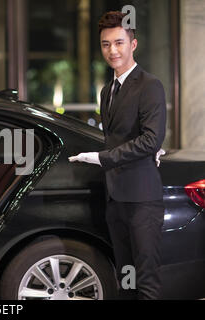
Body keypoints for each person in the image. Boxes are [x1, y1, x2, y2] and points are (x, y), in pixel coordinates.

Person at [69, 11, 167, 300]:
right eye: (106, 44)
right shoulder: (106, 91)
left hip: (142, 200)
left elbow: (151, 138)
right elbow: (125, 137)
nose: (112, 50)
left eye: (119, 43)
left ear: (133, 44)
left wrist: (102, 158)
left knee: (146, 279)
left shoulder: (150, 85)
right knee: (125, 277)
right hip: (115, 200)